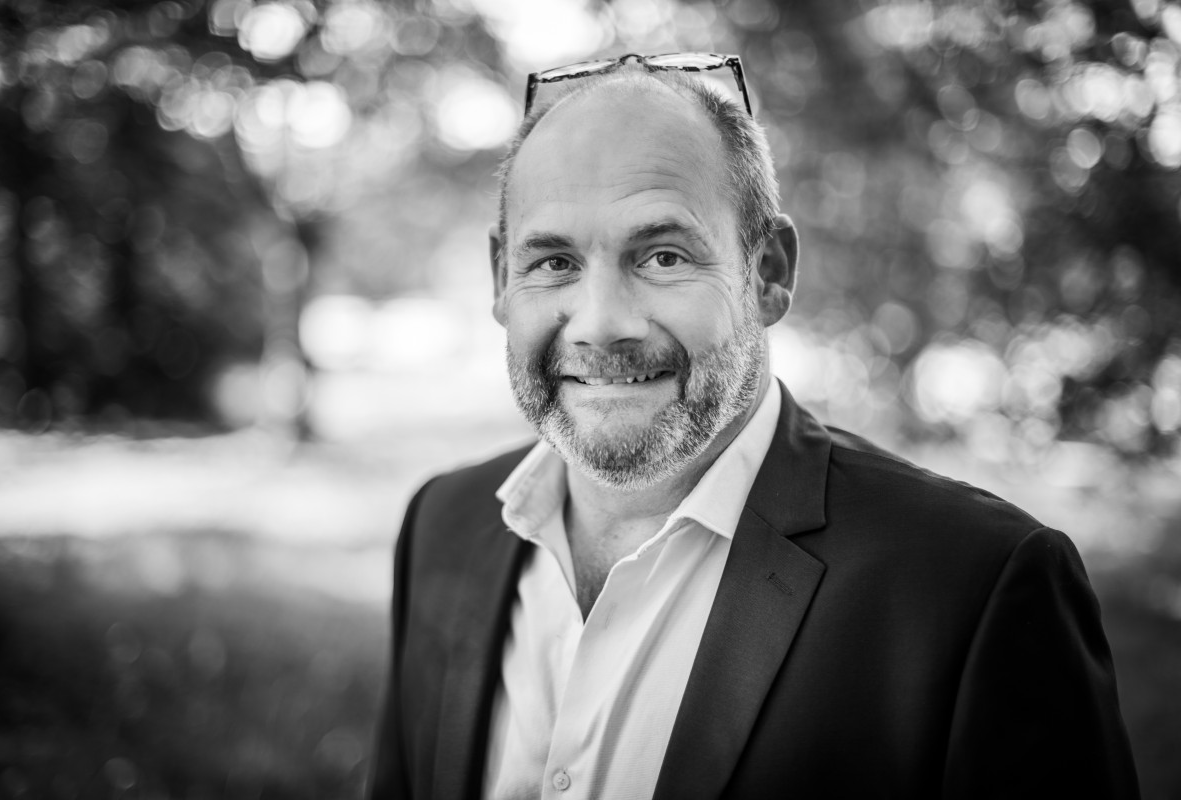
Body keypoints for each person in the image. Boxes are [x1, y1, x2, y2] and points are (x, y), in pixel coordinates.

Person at [369, 53, 1139, 799]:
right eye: (554, 263)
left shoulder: (975, 586)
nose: (600, 324)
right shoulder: (442, 526)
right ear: (501, 279)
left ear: (768, 272)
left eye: (662, 256)